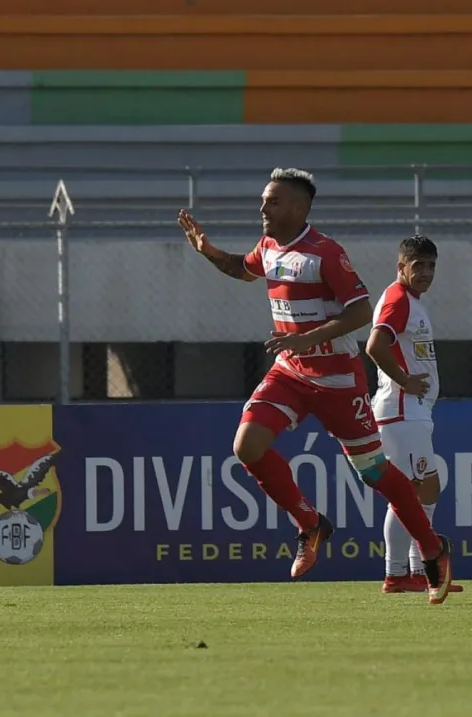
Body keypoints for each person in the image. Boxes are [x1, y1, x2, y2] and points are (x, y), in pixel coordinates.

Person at [177, 168, 454, 605]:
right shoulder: (268, 247)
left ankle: (432, 549)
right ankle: (310, 523)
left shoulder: (324, 253)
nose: (263, 207)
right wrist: (207, 250)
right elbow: (242, 269)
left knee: (375, 473)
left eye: (273, 201)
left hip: (339, 380)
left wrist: (307, 337)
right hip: (290, 370)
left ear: (300, 208)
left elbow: (362, 312)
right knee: (246, 446)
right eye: (264, 200)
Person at [366, 235, 464, 595]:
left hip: (411, 413)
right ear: (401, 267)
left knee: (423, 488)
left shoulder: (410, 301)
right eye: (417, 265)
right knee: (413, 491)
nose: (425, 272)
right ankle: (399, 573)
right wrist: (404, 380)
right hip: (401, 411)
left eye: (431, 265)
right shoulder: (397, 298)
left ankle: (415, 572)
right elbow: (375, 345)